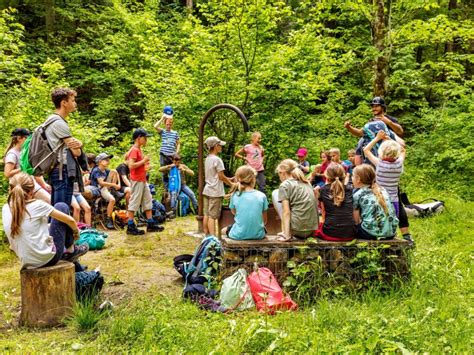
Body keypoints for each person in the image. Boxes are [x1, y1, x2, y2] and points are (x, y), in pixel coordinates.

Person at [2, 173, 88, 269]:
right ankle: (71, 250)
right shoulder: (37, 205)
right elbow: (71, 221)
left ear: (10, 190)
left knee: (58, 221)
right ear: (32, 191)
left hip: (27, 262)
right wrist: (76, 232)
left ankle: (77, 265)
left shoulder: (5, 208)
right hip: (48, 259)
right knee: (61, 206)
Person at [44, 88, 84, 206]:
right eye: (72, 100)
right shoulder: (59, 123)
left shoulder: (51, 121)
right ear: (64, 103)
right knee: (61, 209)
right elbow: (76, 152)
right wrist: (80, 144)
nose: (75, 103)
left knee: (59, 209)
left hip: (57, 169)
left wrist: (78, 144)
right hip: (62, 170)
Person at [126, 128, 164, 235]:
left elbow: (132, 161)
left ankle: (151, 223)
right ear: (139, 138)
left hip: (142, 180)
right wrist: (144, 161)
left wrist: (144, 165)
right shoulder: (134, 150)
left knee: (148, 200)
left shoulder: (137, 149)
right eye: (145, 137)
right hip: (137, 180)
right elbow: (131, 165)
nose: (146, 139)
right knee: (134, 202)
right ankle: (130, 225)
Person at [272, 159, 319, 241]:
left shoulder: (285, 185)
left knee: (275, 193)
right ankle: (287, 231)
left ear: (282, 173)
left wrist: (287, 236)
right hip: (311, 230)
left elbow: (286, 212)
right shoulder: (306, 182)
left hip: (297, 230)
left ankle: (285, 232)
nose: (279, 177)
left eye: (279, 174)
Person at [363, 130, 405, 217]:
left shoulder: (379, 163)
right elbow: (403, 150)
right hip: (394, 200)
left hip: (380, 199)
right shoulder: (399, 163)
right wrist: (390, 140)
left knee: (380, 225)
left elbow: (366, 150)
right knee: (392, 226)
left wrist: (377, 138)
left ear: (381, 151)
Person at [3, 128, 51, 203]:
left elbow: (33, 170)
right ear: (19, 138)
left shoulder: (24, 152)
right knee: (50, 201)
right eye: (27, 138)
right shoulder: (12, 154)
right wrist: (23, 168)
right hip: (21, 186)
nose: (30, 141)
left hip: (30, 184)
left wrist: (44, 184)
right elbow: (7, 173)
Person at [352, 164, 398, 240]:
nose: (351, 178)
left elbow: (356, 221)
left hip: (370, 234)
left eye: (352, 176)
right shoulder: (383, 190)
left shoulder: (358, 194)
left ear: (358, 179)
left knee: (351, 229)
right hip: (391, 233)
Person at [222, 166, 268, 240]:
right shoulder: (262, 196)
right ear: (253, 179)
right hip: (258, 235)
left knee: (223, 230)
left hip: (238, 235)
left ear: (238, 179)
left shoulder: (235, 195)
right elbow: (264, 221)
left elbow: (234, 212)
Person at [314, 163, 356, 241]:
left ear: (327, 177)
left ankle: (324, 253)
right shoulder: (349, 189)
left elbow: (323, 213)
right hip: (350, 233)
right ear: (343, 176)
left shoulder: (323, 190)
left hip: (330, 233)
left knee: (317, 229)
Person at [202, 136, 234, 236]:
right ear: (216, 146)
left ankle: (206, 235)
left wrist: (229, 179)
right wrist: (232, 184)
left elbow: (215, 175)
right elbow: (220, 176)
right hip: (215, 192)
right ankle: (213, 238)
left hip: (207, 190)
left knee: (206, 214)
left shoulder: (207, 159)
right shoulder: (217, 160)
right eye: (220, 145)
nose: (221, 147)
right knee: (213, 216)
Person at [89, 153, 121, 230]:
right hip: (99, 188)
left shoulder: (105, 170)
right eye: (106, 160)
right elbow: (101, 183)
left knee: (114, 171)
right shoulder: (97, 170)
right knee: (112, 200)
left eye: (108, 159)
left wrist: (118, 184)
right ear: (100, 161)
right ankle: (108, 219)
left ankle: (113, 191)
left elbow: (115, 173)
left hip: (105, 188)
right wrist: (114, 185)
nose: (108, 161)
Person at [154, 105, 180, 189]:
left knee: (173, 170)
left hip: (171, 155)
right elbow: (155, 126)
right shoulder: (163, 132)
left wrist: (177, 152)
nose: (169, 125)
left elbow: (178, 143)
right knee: (164, 172)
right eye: (168, 124)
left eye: (170, 124)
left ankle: (174, 187)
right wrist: (163, 118)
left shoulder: (175, 133)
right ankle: (166, 189)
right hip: (163, 154)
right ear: (165, 124)